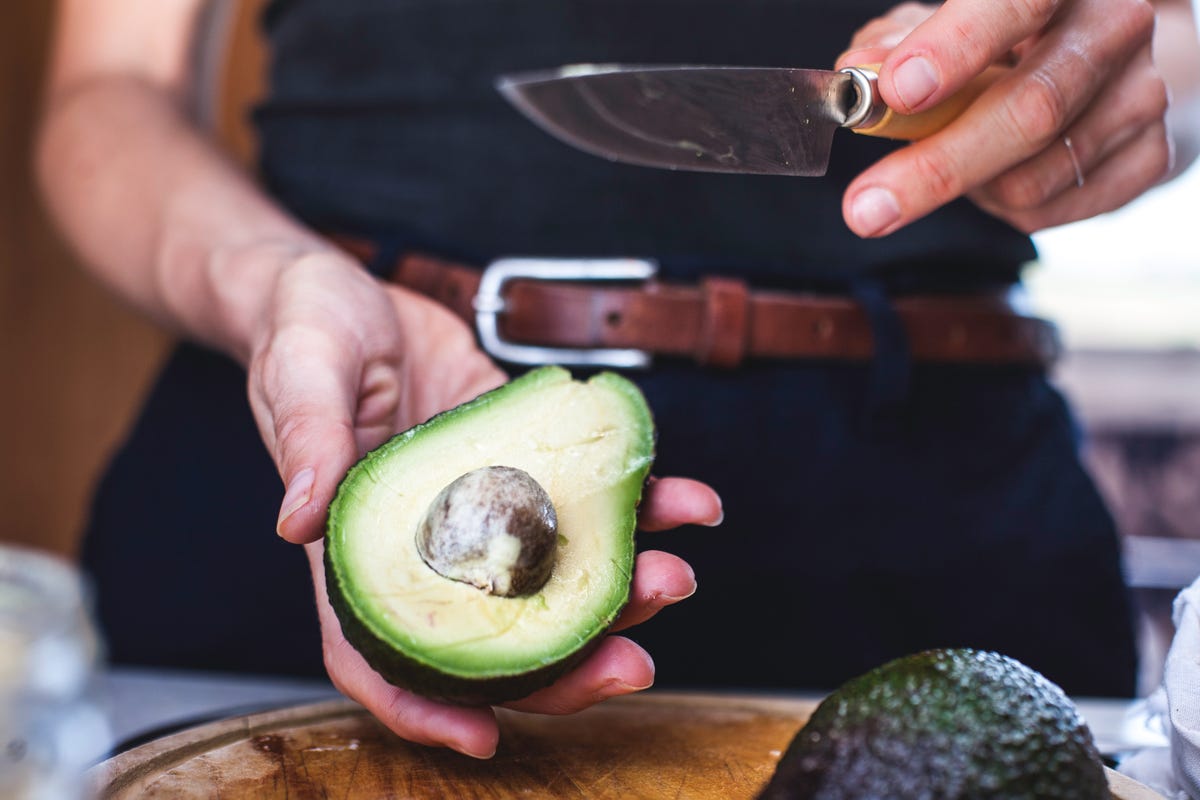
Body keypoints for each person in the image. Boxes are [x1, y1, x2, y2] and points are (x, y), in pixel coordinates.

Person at [36, 0, 1200, 760]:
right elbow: (107, 96)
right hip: (349, 397)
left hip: (939, 504)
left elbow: (1166, 47)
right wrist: (271, 278)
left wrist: (1148, 69)